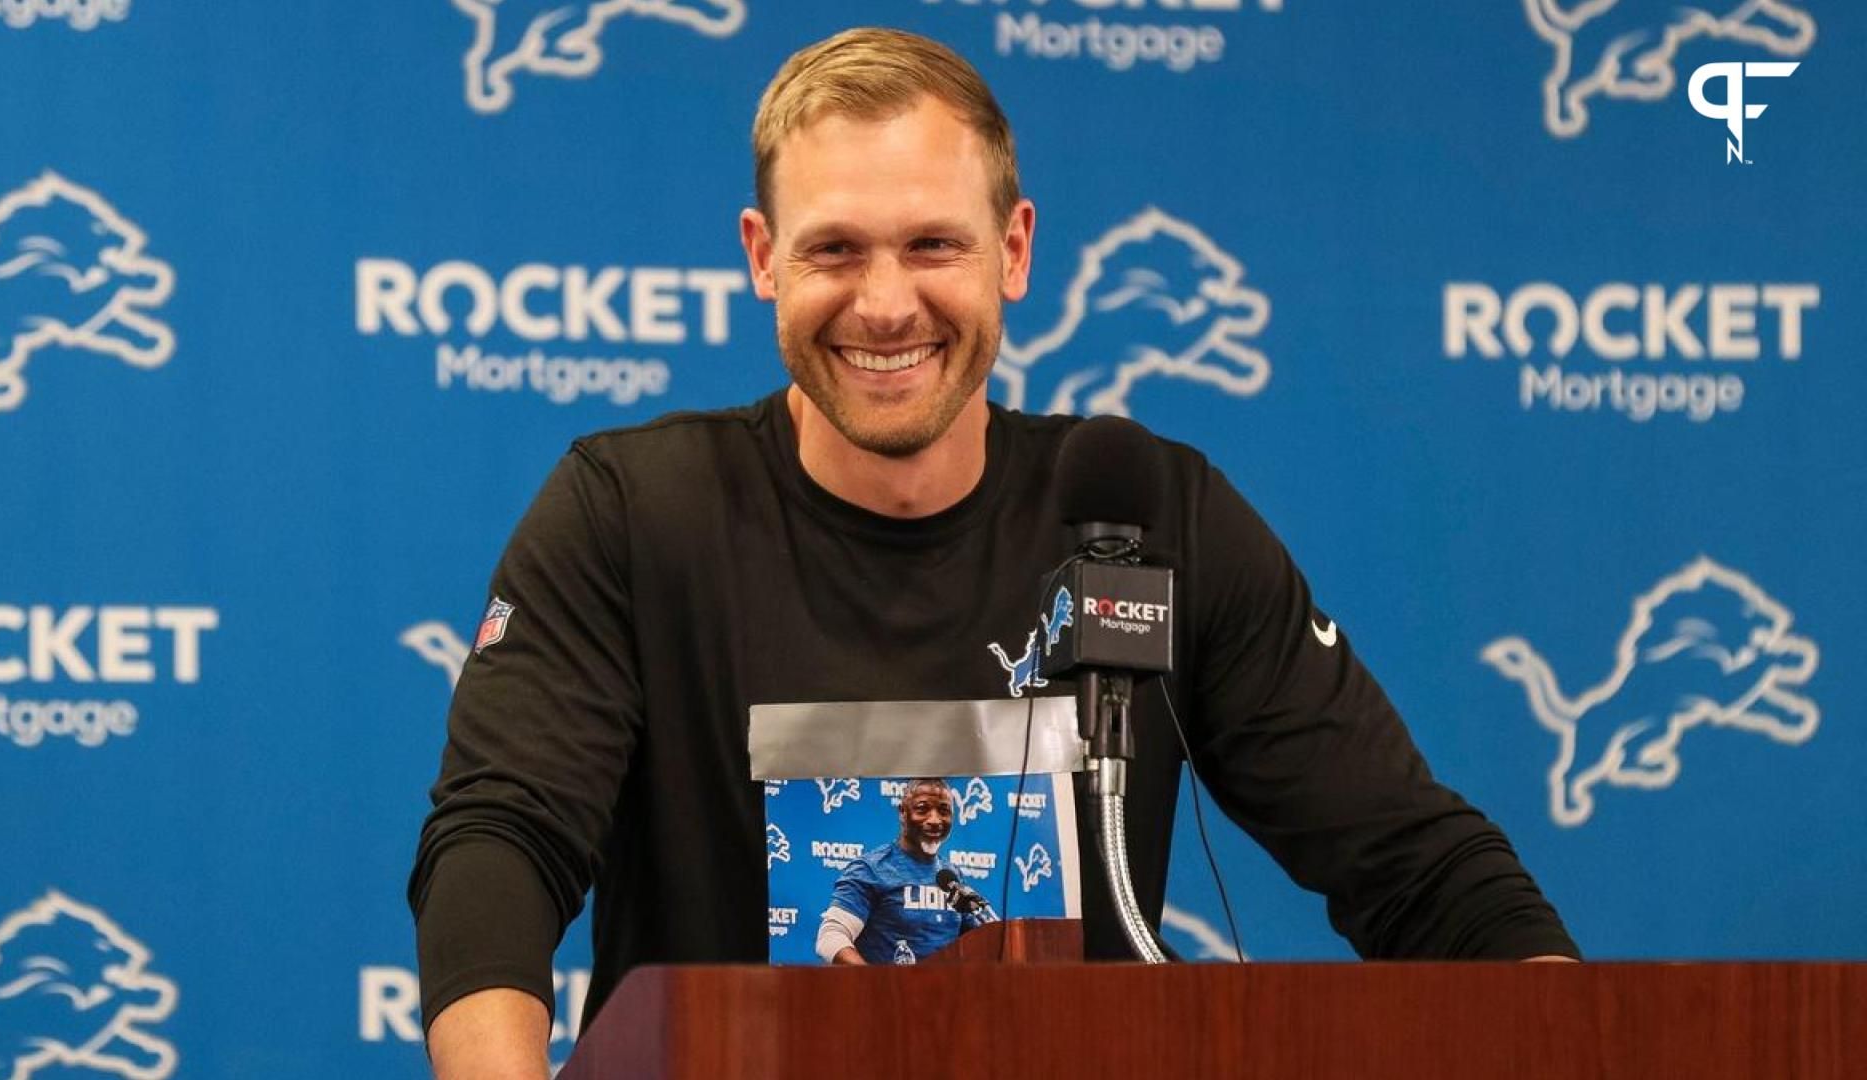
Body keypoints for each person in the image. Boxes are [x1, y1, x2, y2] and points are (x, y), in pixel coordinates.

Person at [410, 26, 1578, 1079]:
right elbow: (500, 841)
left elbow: (1411, 863)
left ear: (1013, 251)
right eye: (834, 252)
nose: (885, 303)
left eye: (932, 244)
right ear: (761, 258)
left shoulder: (1153, 516)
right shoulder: (630, 511)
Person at [815, 778, 995, 966]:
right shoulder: (871, 869)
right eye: (922, 809)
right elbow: (831, 937)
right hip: (888, 993)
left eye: (944, 811)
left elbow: (990, 933)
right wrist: (872, 983)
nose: (934, 820)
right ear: (902, 812)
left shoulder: (951, 876)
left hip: (945, 993)